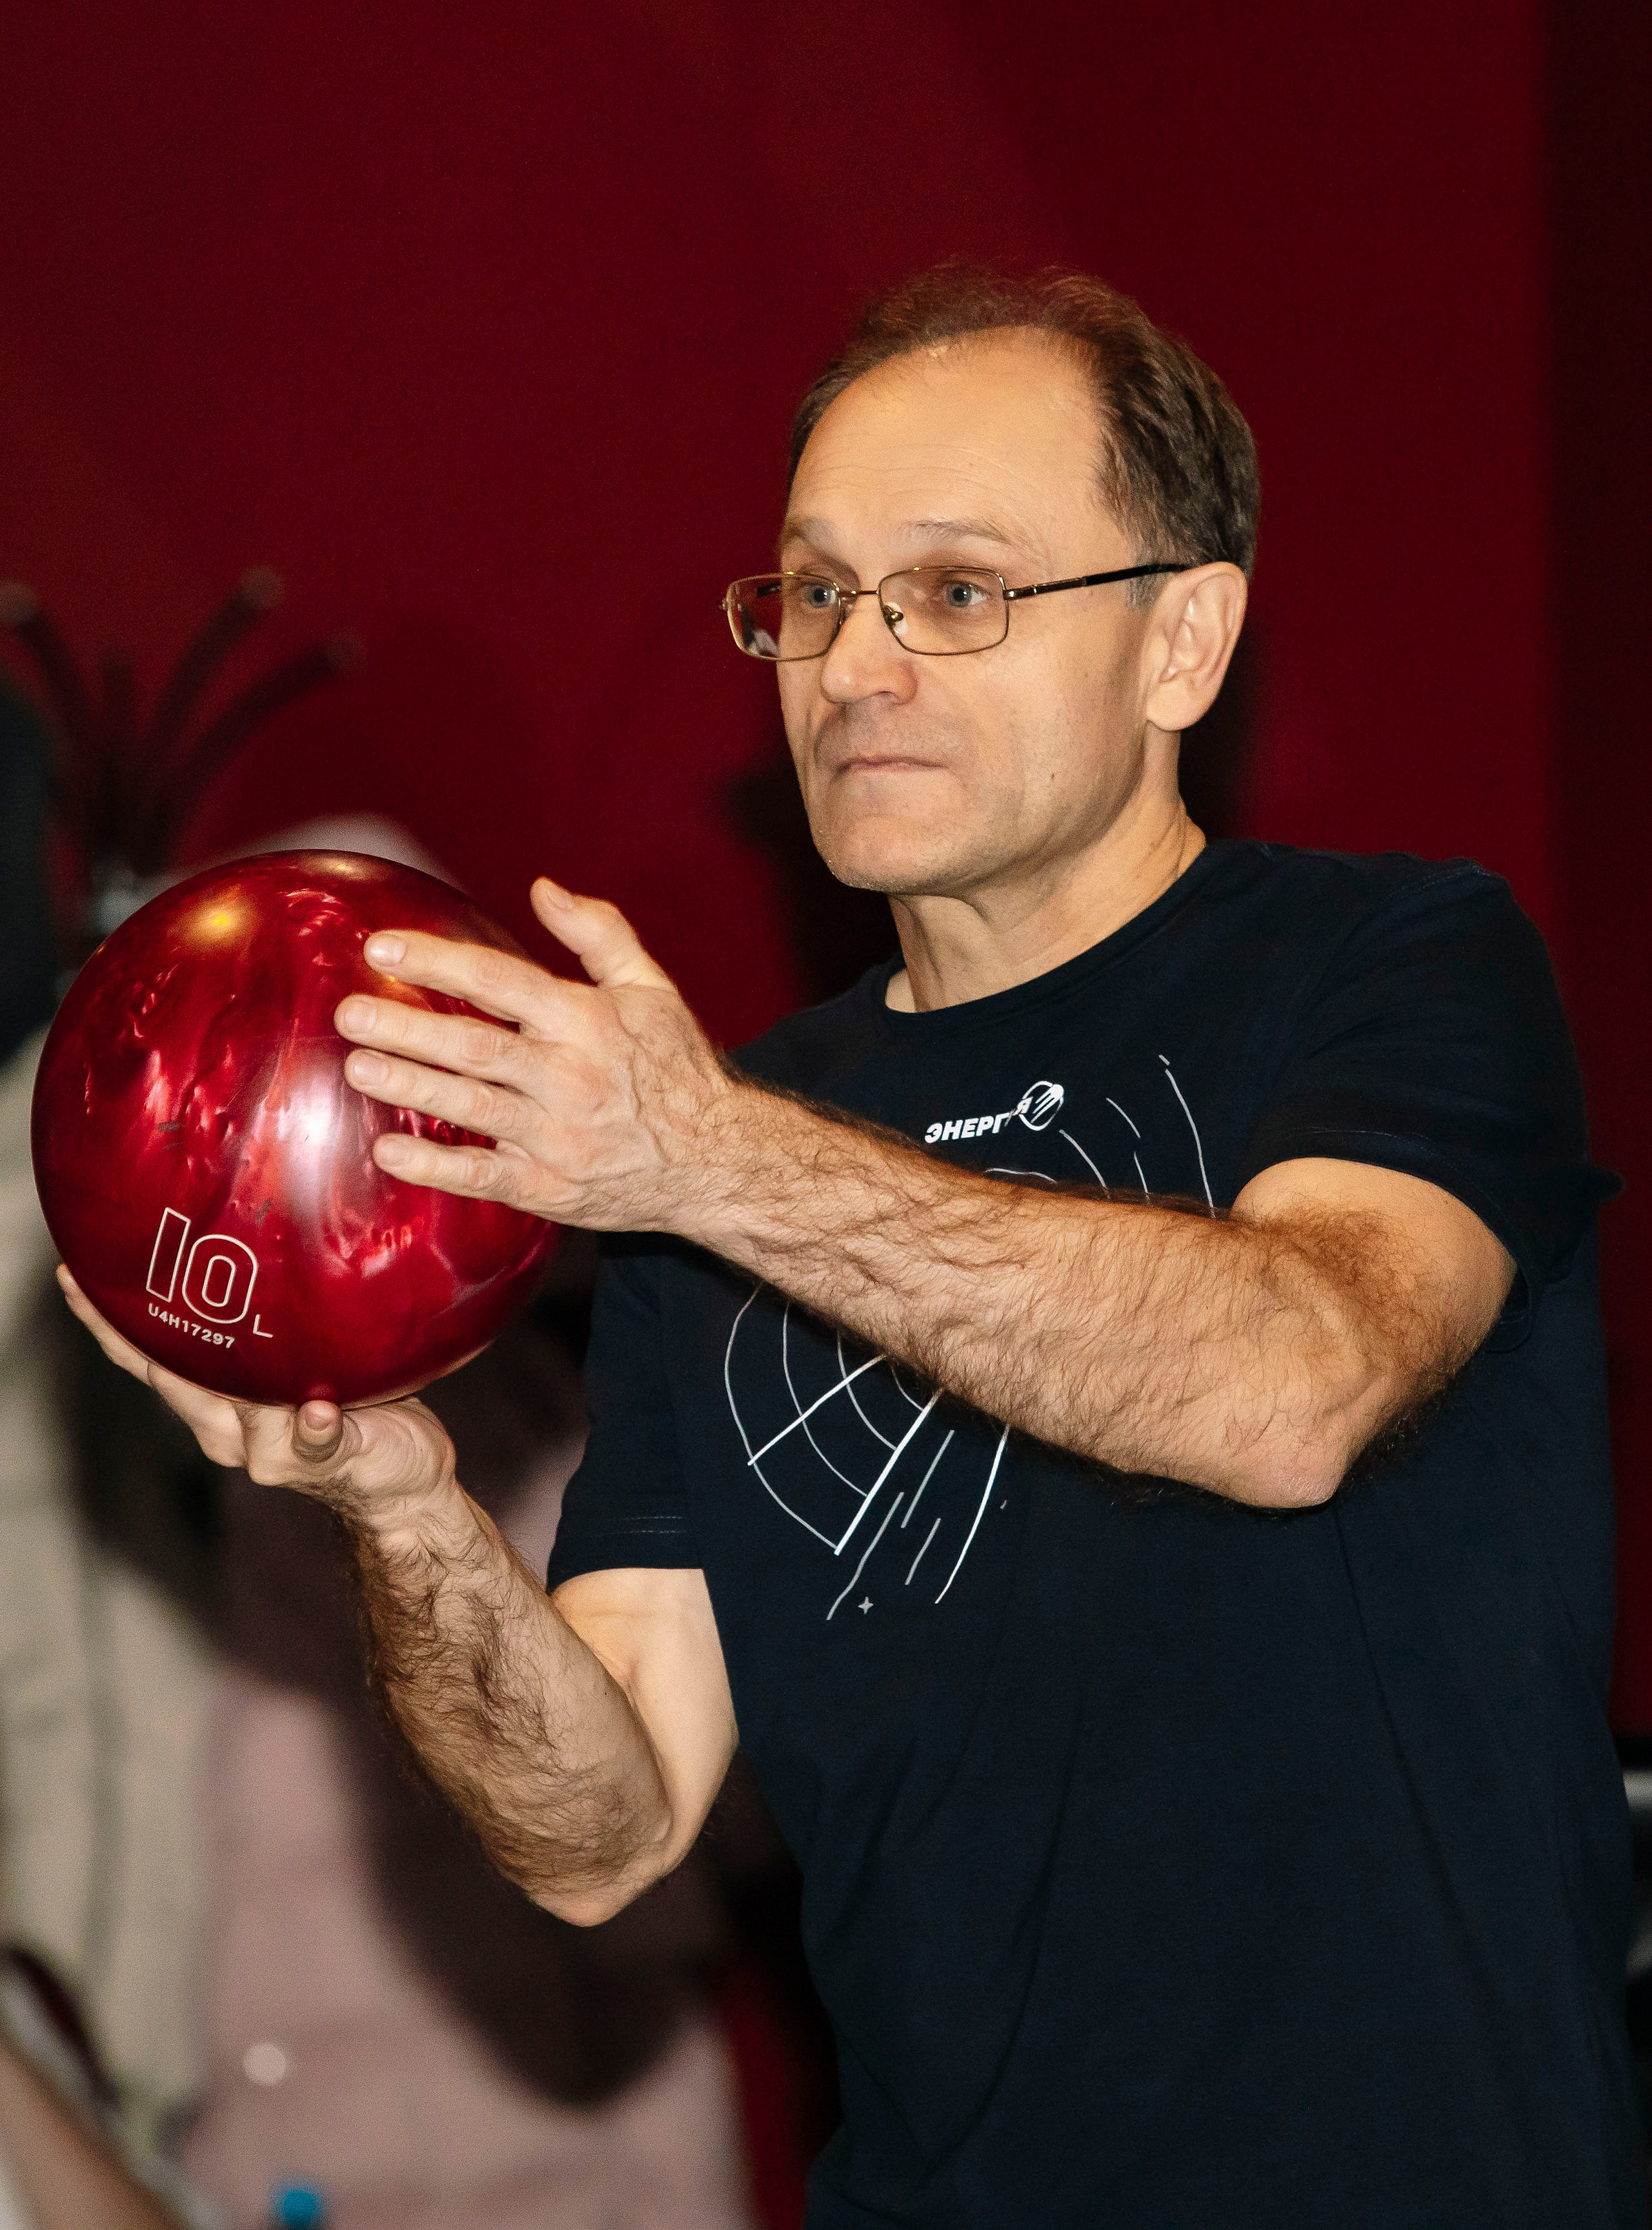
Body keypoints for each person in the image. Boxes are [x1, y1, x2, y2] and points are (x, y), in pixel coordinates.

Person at [64, 265, 1643, 2227]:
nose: (855, 666)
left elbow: (1290, 1388)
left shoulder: (1392, 966)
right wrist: (402, 1508)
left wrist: (711, 1164)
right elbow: (600, 1830)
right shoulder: (710, 1145)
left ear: (1185, 642)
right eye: (813, 597)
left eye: (958, 594)